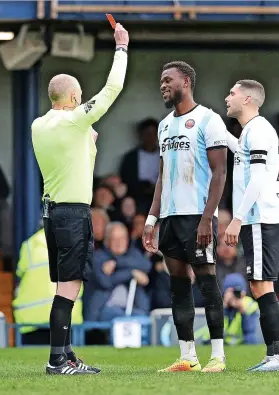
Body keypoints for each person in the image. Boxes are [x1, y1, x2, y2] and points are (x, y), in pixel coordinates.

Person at [31, 23, 129, 375]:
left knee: (64, 284)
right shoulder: (74, 121)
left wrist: (87, 138)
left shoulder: (39, 125)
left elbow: (71, 149)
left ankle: (67, 355)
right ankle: (57, 360)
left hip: (51, 212)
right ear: (73, 99)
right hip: (73, 214)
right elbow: (113, 88)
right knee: (69, 288)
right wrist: (121, 47)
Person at [142, 61, 228, 373]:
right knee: (177, 285)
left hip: (197, 216)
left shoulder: (209, 119)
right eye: (161, 81)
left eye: (168, 80)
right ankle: (187, 356)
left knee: (206, 281)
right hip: (171, 217)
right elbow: (162, 178)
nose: (162, 85)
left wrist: (208, 218)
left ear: (186, 82)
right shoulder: (164, 125)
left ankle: (217, 356)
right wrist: (152, 219)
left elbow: (220, 172)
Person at [223, 79, 279, 372]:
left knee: (262, 285)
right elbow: (240, 152)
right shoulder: (249, 133)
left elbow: (259, 178)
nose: (227, 97)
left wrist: (236, 218)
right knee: (258, 285)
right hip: (259, 218)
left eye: (232, 93)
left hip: (259, 218)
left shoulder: (260, 131)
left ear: (249, 99)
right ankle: (275, 354)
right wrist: (216, 129)